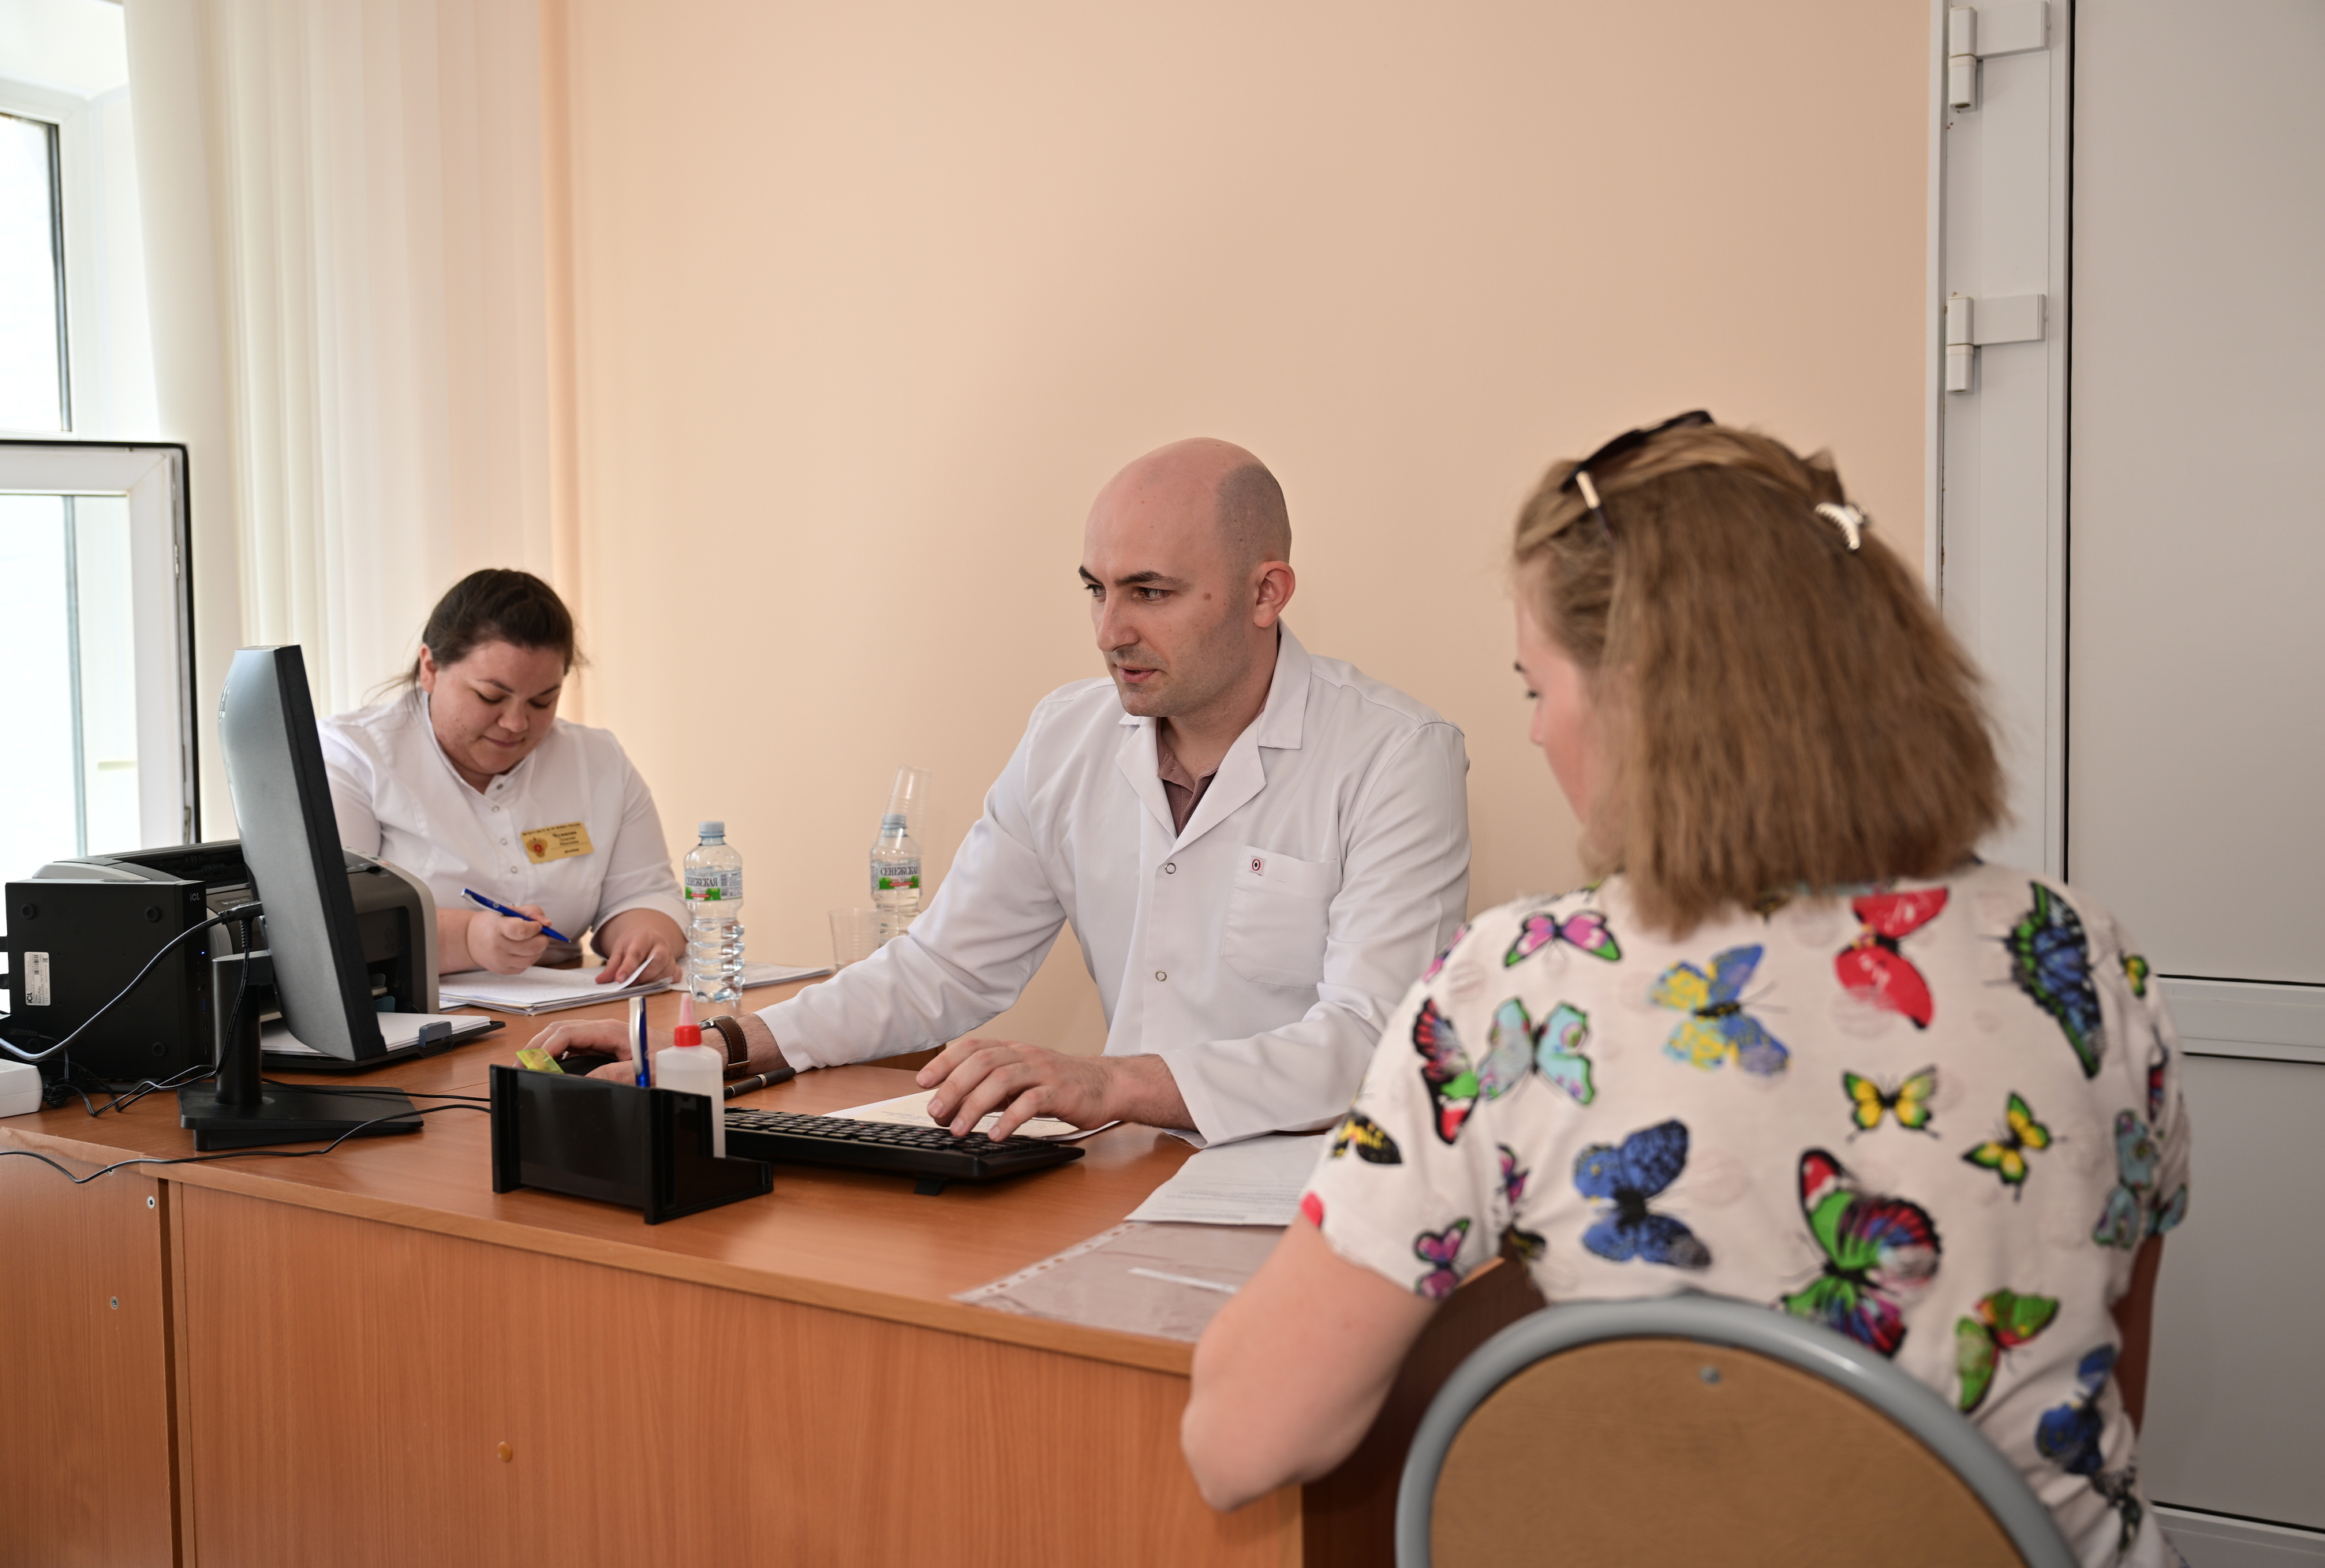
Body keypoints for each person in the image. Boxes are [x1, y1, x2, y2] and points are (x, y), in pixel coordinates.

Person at [1181, 416, 2189, 1567]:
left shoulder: (1524, 990)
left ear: (1640, 700)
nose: (1536, 732)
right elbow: (2105, 1400)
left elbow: (1240, 1441)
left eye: (1537, 686)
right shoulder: (2083, 958)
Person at [541, 439, 1470, 1145]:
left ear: (1267, 592)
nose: (1109, 630)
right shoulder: (1067, 735)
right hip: (1129, 1168)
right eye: (1096, 588)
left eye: (1149, 592)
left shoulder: (1395, 756)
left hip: (1311, 1188)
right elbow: (943, 966)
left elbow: (1371, 1040)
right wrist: (722, 1044)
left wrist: (1112, 1082)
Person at [319, 569, 689, 984]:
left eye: (542, 701)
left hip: (564, 1002)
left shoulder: (598, 761)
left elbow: (646, 893)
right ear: (430, 668)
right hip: (414, 1009)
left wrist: (647, 936)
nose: (516, 723)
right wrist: (468, 939)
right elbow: (334, 922)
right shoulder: (350, 756)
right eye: (490, 696)